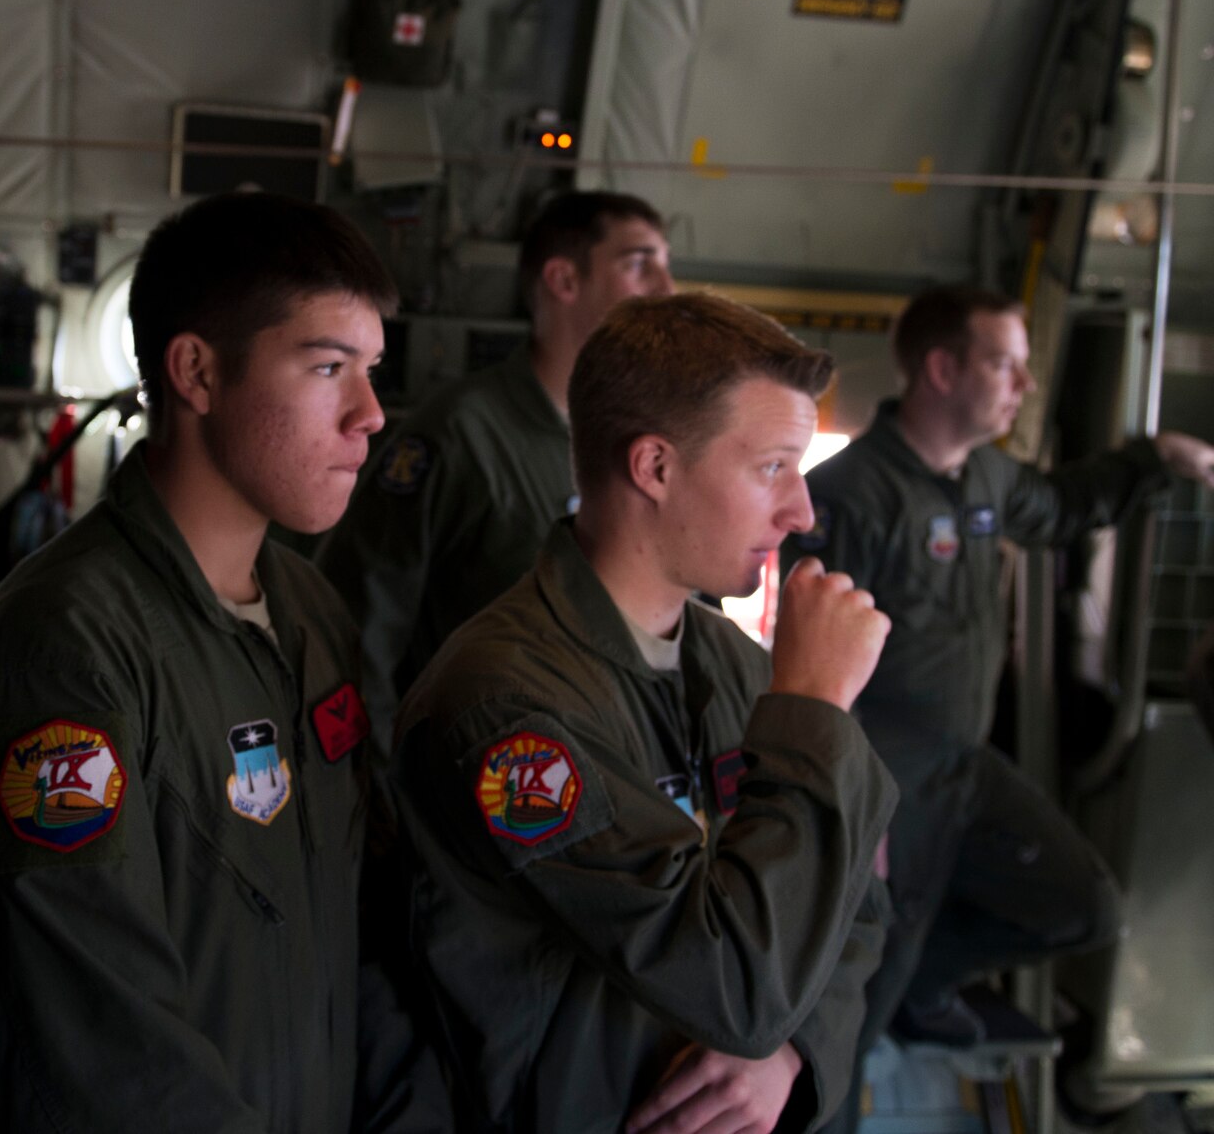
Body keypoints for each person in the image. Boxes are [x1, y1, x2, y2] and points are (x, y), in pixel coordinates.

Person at [0, 191, 445, 1132]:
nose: (370, 414)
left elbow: (356, 933)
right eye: (329, 367)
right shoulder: (64, 651)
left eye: (371, 371)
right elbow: (105, 1053)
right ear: (197, 370)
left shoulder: (311, 613)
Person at [393, 292, 897, 1133]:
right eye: (772, 467)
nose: (802, 511)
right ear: (655, 467)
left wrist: (793, 1051)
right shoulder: (506, 708)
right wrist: (812, 710)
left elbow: (860, 908)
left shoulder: (736, 663)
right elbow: (729, 985)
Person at [785, 285, 1214, 1126]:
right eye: (1004, 364)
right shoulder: (849, 494)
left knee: (1084, 905)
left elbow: (1061, 506)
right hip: (886, 779)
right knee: (852, 1011)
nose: (1024, 384)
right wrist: (848, 803)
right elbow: (810, 657)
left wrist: (1154, 458)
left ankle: (927, 982)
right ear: (942, 369)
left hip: (965, 765)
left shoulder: (987, 474)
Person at [315, 191, 673, 741]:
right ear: (564, 279)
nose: (666, 288)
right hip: (468, 767)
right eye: (638, 264)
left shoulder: (642, 445)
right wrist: (375, 778)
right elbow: (361, 622)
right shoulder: (463, 432)